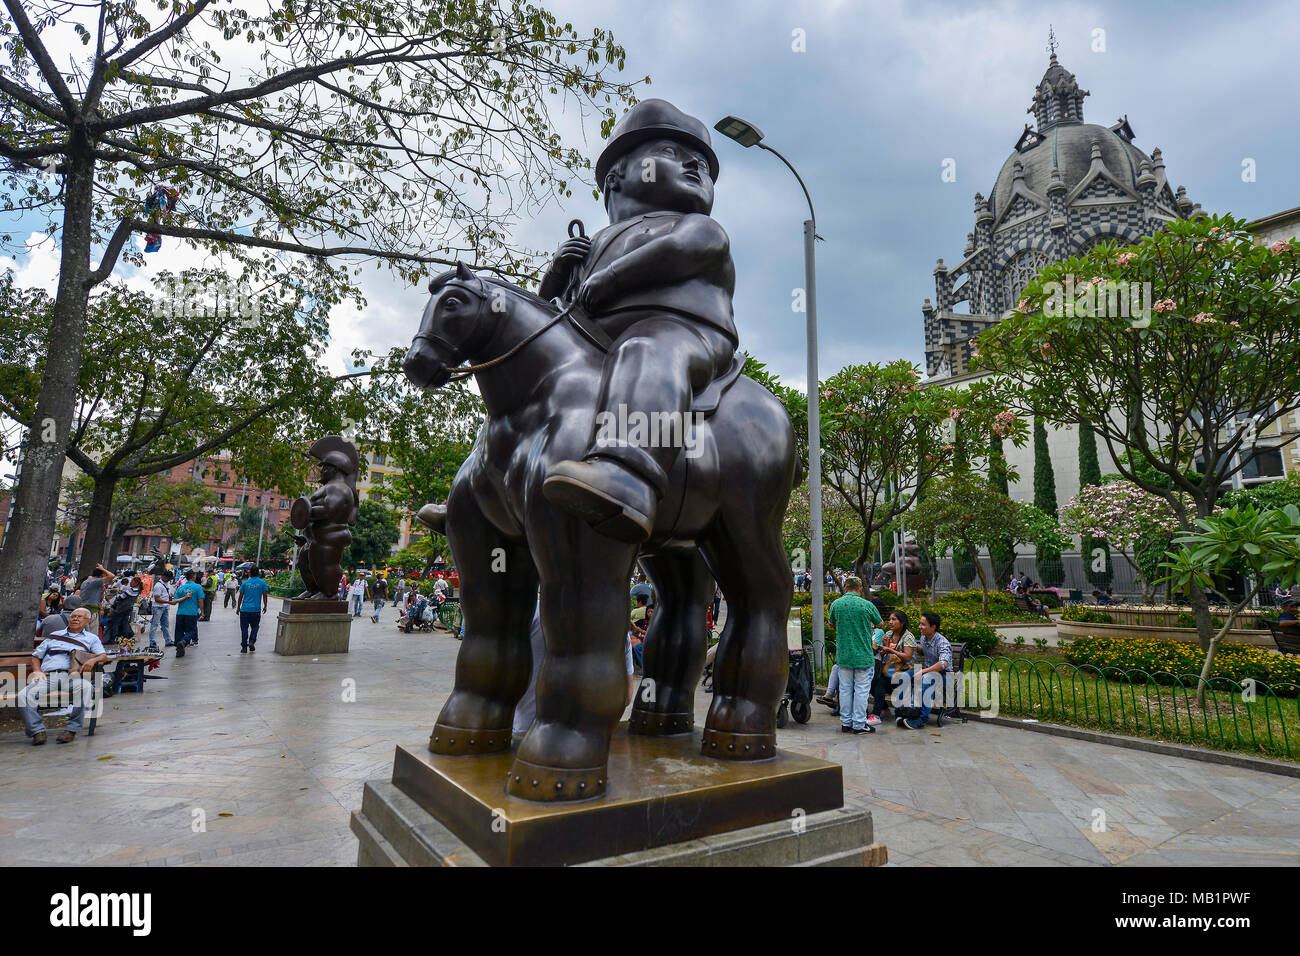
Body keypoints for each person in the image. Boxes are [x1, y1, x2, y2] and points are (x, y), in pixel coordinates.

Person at [18, 608, 107, 745]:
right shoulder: (55, 635)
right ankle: (37, 731)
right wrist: (37, 671)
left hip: (73, 677)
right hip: (48, 677)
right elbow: (36, 656)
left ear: (87, 621)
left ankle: (71, 729)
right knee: (24, 695)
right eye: (74, 616)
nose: (76, 619)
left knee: (86, 689)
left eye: (80, 617)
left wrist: (92, 660)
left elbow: (103, 656)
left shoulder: (91, 638)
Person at [827, 575, 881, 735]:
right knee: (861, 690)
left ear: (845, 588)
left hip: (844, 655)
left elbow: (831, 622)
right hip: (863, 655)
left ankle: (846, 722)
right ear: (860, 589)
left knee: (844, 689)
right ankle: (858, 724)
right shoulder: (866, 605)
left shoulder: (836, 604)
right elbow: (880, 623)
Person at [898, 611, 954, 730]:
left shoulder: (942, 642)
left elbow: (943, 664)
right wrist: (913, 646)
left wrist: (923, 671)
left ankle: (921, 719)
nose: (919, 627)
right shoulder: (924, 638)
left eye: (923, 624)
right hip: (929, 671)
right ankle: (903, 711)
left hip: (945, 675)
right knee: (905, 676)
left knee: (926, 679)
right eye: (920, 624)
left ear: (933, 627)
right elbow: (924, 651)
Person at [869, 610, 916, 725]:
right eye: (889, 619)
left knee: (880, 683)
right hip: (890, 669)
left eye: (894, 619)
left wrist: (890, 650)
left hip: (906, 672)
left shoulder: (908, 636)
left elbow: (907, 658)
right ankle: (884, 708)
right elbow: (886, 655)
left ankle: (876, 715)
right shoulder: (889, 634)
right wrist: (883, 647)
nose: (890, 622)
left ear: (902, 622)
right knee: (871, 681)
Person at [75, 563, 115, 637]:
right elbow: (112, 576)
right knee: (91, 634)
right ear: (101, 576)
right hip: (90, 611)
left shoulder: (88, 582)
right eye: (104, 576)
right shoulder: (94, 582)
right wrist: (102, 568)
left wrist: (102, 591)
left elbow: (100, 599)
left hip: (88, 609)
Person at [172, 570, 205, 657]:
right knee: (190, 630)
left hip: (180, 613)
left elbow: (175, 600)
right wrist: (202, 612)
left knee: (179, 631)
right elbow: (200, 600)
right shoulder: (198, 587)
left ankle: (179, 649)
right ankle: (184, 642)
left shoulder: (180, 588)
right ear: (194, 577)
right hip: (191, 613)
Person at [237, 567, 270, 652]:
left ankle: (244, 647)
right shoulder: (262, 582)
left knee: (244, 628)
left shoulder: (245, 583)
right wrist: (265, 606)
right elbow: (265, 595)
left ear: (250, 573)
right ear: (259, 573)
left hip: (244, 610)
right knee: (255, 627)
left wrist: (238, 607)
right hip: (255, 610)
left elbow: (240, 596)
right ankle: (251, 641)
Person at [148, 570, 176, 648]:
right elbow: (157, 599)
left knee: (165, 625)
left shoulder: (167, 584)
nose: (169, 580)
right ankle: (152, 642)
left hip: (165, 607)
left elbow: (168, 593)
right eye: (168, 578)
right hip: (158, 607)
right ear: (163, 577)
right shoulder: (158, 586)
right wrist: (169, 602)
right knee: (154, 625)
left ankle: (168, 640)